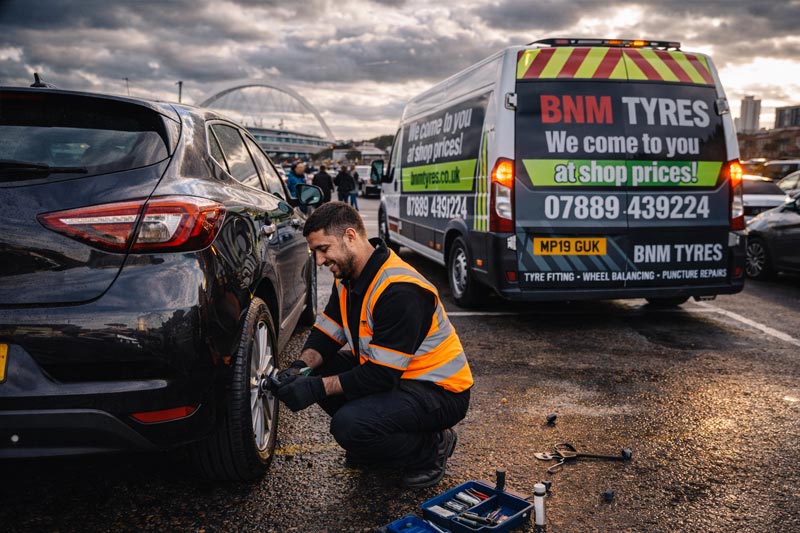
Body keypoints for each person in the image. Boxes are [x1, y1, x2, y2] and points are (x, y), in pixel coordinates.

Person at [274, 202, 472, 489]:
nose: (318, 261)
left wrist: (315, 388)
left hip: (438, 390)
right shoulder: (347, 278)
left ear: (350, 236)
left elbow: (381, 375)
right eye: (314, 252)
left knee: (349, 425)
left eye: (323, 249)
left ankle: (432, 446)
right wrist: (300, 368)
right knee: (316, 372)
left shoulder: (399, 289)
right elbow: (327, 333)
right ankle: (375, 443)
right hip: (398, 377)